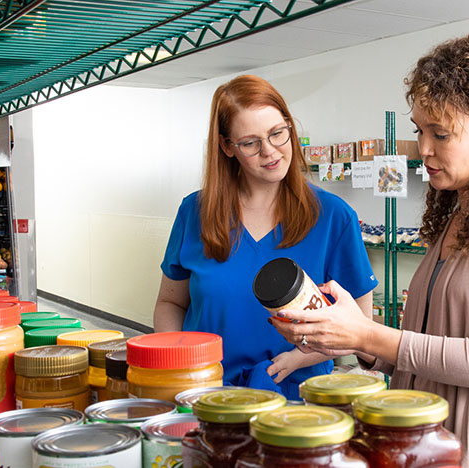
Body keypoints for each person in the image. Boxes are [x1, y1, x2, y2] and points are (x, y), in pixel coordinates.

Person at [271, 32, 469, 467]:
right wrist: (346, 337)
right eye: (420, 131)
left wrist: (368, 333)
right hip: (421, 449)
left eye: (441, 134)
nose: (425, 150)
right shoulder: (462, 212)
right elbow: (427, 348)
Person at [154, 75, 378, 399]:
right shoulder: (194, 213)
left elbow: (360, 325)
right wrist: (178, 363)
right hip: (207, 397)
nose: (270, 152)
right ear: (227, 147)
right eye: (250, 143)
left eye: (277, 134)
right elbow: (170, 302)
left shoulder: (333, 217)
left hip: (298, 403)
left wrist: (298, 358)